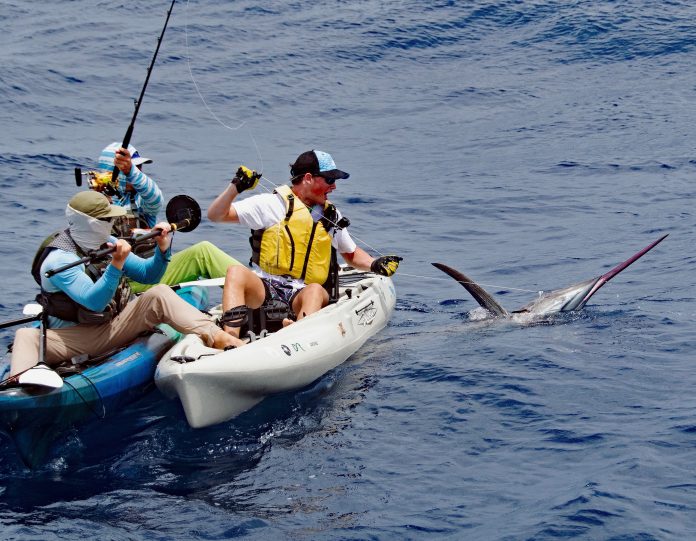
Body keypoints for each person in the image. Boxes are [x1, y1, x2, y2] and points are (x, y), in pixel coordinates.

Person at [9, 191, 238, 380]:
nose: (114, 223)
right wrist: (116, 264)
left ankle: (220, 337)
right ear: (92, 224)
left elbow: (149, 276)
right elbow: (94, 302)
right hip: (75, 337)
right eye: (109, 219)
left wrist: (162, 249)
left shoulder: (105, 243)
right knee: (26, 336)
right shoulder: (61, 261)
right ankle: (17, 390)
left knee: (159, 293)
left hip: (108, 326)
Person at [207, 149, 402, 347]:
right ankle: (230, 340)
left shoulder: (331, 215)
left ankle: (296, 340)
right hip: (264, 288)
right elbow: (216, 215)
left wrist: (375, 264)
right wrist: (235, 187)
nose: (334, 186)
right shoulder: (271, 205)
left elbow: (351, 254)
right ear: (308, 178)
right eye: (329, 179)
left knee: (315, 290)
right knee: (236, 272)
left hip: (301, 294)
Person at [93, 142, 240, 293]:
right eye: (131, 168)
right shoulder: (93, 205)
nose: (139, 172)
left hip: (153, 270)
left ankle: (254, 288)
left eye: (139, 168)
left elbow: (155, 198)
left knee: (196, 287)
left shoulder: (139, 201)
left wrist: (130, 171)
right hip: (127, 281)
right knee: (203, 253)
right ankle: (259, 289)